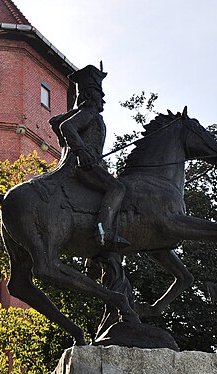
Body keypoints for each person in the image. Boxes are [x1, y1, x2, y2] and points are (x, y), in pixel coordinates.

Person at [49, 64, 129, 249]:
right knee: (117, 188)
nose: (104, 100)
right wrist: (82, 152)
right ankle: (103, 231)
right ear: (92, 95)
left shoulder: (84, 113)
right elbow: (66, 127)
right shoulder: (89, 113)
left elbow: (58, 122)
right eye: (101, 95)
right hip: (85, 166)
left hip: (88, 164)